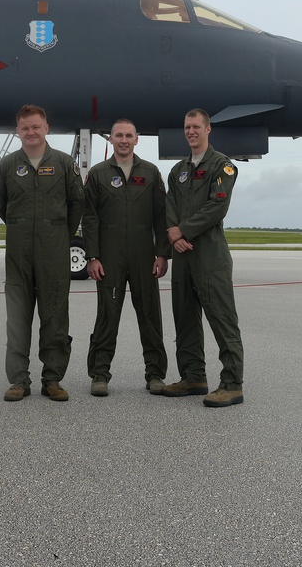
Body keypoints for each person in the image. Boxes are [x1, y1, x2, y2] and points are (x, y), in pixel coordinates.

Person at [0, 104, 84, 402]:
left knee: (55, 319)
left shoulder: (64, 163)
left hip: (54, 254)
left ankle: (53, 379)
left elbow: (76, 204)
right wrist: (22, 228)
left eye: (36, 127)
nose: (30, 132)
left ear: (46, 128)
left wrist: (57, 234)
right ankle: (18, 381)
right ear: (17, 131)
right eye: (24, 128)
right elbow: (2, 205)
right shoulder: (7, 166)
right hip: (18, 256)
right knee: (17, 322)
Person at [83, 119, 170, 397]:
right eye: (118, 135)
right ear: (110, 139)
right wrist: (92, 256)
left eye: (128, 135)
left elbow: (161, 216)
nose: (123, 140)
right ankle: (99, 374)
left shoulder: (152, 172)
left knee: (150, 315)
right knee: (107, 316)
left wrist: (162, 253)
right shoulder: (97, 174)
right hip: (109, 253)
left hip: (144, 253)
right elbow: (90, 218)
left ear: (136, 139)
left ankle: (155, 374)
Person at [164, 108, 245, 407]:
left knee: (222, 319)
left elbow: (217, 207)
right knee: (185, 318)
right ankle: (193, 376)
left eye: (196, 126)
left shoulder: (222, 166)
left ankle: (232, 383)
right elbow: (169, 204)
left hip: (210, 254)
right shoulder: (178, 170)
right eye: (187, 127)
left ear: (208, 129)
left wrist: (182, 231)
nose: (191, 131)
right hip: (183, 256)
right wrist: (174, 233)